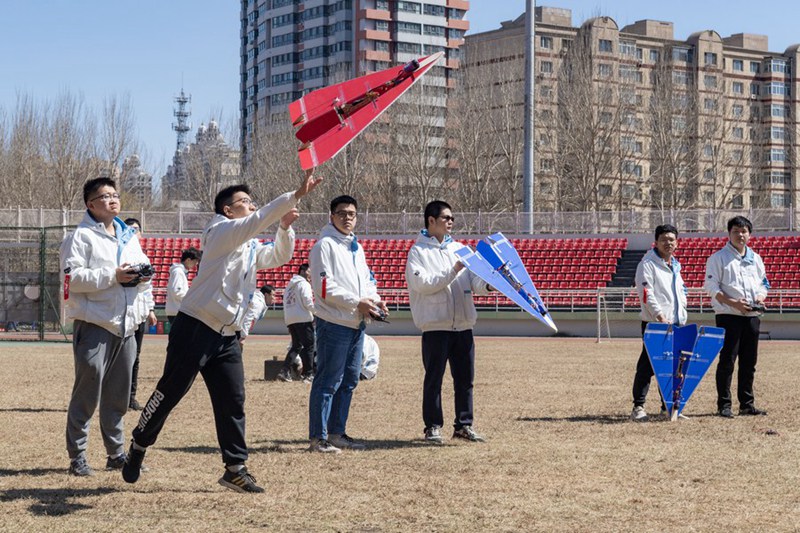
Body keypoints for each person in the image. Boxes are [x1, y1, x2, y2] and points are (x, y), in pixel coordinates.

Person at [122, 171, 322, 493]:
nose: (251, 206)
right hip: (195, 327)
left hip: (227, 334)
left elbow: (280, 255)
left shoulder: (249, 245)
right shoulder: (219, 231)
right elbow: (255, 222)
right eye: (245, 202)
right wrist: (295, 193)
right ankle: (139, 445)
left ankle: (235, 468)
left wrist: (284, 227)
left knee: (233, 399)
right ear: (228, 210)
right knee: (170, 393)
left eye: (251, 201)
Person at [60, 178, 154, 476]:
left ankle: (116, 455)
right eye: (105, 196)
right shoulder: (81, 237)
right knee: (87, 392)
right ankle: (77, 457)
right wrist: (113, 275)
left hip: (126, 326)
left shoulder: (130, 236)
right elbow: (71, 279)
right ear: (90, 204)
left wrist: (145, 296)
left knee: (118, 396)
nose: (113, 200)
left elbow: (144, 274)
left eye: (115, 195)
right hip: (95, 324)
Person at [405, 200, 491, 444]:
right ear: (430, 221)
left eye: (452, 218)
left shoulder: (462, 249)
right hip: (435, 325)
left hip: (463, 324)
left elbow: (474, 281)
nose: (451, 222)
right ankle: (432, 426)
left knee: (465, 379)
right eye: (446, 217)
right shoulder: (418, 252)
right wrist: (453, 270)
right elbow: (424, 284)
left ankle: (464, 425)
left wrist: (488, 285)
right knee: (434, 378)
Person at [307, 195, 387, 453]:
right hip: (334, 322)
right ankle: (318, 438)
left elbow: (367, 281)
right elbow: (322, 286)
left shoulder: (356, 248)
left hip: (356, 322)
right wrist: (356, 302)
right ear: (331, 217)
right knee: (328, 380)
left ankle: (337, 433)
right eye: (341, 213)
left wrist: (375, 301)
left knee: (350, 379)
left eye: (351, 213)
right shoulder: (324, 246)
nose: (347, 218)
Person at [705, 216, 770, 418]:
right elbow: (711, 287)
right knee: (727, 361)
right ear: (729, 233)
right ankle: (724, 405)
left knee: (749, 362)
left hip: (752, 315)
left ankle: (746, 404)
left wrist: (760, 297)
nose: (740, 235)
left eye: (744, 231)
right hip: (728, 315)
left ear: (749, 234)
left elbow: (763, 283)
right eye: (736, 231)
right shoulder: (718, 258)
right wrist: (733, 303)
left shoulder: (756, 258)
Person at [630, 224, 688, 422]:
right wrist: (660, 317)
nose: (668, 243)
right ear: (656, 241)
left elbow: (681, 294)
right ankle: (638, 406)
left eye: (671, 239)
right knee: (647, 365)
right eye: (664, 239)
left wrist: (682, 314)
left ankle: (668, 407)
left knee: (674, 368)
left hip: (676, 323)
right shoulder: (647, 263)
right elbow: (647, 293)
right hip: (656, 324)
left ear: (677, 243)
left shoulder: (676, 266)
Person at [124, 218, 158, 411]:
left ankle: (131, 396)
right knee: (117, 357)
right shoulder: (119, 254)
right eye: (129, 229)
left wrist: (150, 309)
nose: (133, 233)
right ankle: (113, 396)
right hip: (121, 313)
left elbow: (147, 288)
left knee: (135, 356)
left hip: (139, 314)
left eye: (136, 229)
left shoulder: (144, 258)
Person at [279, 263, 316, 383]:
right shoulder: (304, 284)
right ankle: (308, 374)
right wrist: (316, 312)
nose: (311, 275)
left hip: (291, 319)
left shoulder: (290, 285)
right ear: (304, 271)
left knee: (296, 345)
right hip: (303, 318)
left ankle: (284, 371)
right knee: (309, 346)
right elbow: (307, 301)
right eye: (311, 271)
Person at [165, 247, 203, 323]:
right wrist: (191, 298)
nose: (196, 264)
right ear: (188, 260)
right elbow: (177, 292)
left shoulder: (179, 271)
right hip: (177, 311)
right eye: (195, 261)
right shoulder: (178, 272)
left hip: (176, 310)